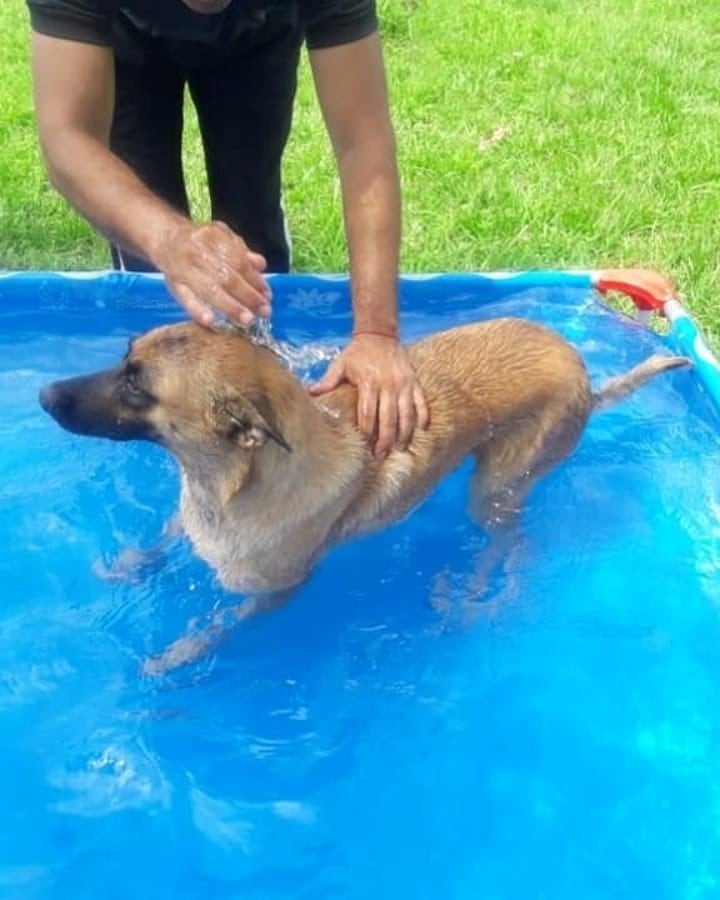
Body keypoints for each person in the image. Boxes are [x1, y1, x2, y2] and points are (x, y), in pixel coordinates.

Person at [26, 0, 428, 458]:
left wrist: (376, 334)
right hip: (122, 34)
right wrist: (167, 238)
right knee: (156, 281)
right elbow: (68, 138)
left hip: (260, 32)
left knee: (250, 247)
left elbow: (363, 143)